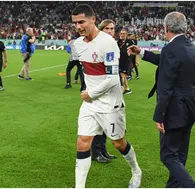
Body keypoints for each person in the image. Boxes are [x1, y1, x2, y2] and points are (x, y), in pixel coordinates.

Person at [71, 4, 142, 188]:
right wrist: (89, 94)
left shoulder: (108, 43)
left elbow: (112, 79)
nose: (78, 26)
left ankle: (136, 170)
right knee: (82, 142)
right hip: (90, 104)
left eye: (81, 22)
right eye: (75, 23)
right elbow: (88, 71)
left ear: (93, 19)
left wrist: (89, 93)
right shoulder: (78, 43)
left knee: (118, 143)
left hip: (110, 103)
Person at [128, 11, 195, 188]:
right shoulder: (189, 46)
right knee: (180, 154)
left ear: (166, 28)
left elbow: (165, 87)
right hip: (190, 107)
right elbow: (166, 60)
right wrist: (142, 52)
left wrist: (159, 116)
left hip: (176, 110)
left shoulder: (171, 49)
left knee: (168, 155)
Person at [89, 19, 119, 163]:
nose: (110, 31)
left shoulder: (112, 45)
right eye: (107, 28)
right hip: (99, 90)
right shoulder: (96, 46)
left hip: (109, 90)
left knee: (106, 122)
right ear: (101, 30)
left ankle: (103, 150)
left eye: (112, 28)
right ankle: (96, 152)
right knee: (98, 123)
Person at [118, 29, 135, 94]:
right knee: (123, 76)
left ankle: (120, 90)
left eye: (124, 34)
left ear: (126, 35)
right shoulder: (119, 42)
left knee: (122, 75)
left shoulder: (130, 42)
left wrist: (135, 61)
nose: (122, 35)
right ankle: (128, 89)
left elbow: (135, 52)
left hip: (126, 61)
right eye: (121, 33)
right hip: (120, 61)